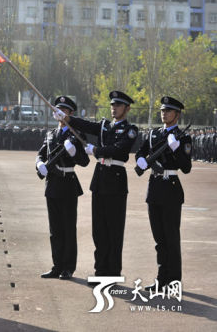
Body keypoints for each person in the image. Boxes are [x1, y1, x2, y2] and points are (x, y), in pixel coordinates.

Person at [54, 90, 138, 280]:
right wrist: (66, 118)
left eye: (118, 105)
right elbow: (85, 125)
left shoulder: (130, 129)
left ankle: (113, 273)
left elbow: (120, 149)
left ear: (127, 108)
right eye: (112, 105)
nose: (114, 108)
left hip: (116, 181)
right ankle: (100, 271)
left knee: (114, 230)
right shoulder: (104, 126)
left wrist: (97, 150)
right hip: (100, 181)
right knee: (99, 230)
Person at [135, 96, 191, 292]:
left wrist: (176, 149)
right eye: (162, 110)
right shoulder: (153, 134)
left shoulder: (182, 137)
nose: (163, 113)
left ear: (177, 114)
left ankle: (174, 280)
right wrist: (141, 160)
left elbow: (186, 167)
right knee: (159, 239)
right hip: (155, 189)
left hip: (171, 188)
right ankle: (162, 277)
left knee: (171, 238)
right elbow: (140, 152)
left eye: (168, 110)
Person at [37, 96, 89, 280]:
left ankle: (68, 267)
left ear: (71, 114)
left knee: (68, 228)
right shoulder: (51, 134)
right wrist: (39, 165)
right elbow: (41, 154)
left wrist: (74, 152)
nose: (59, 113)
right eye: (57, 109)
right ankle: (56, 265)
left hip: (67, 184)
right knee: (55, 229)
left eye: (64, 110)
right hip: (52, 184)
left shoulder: (76, 134)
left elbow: (84, 161)